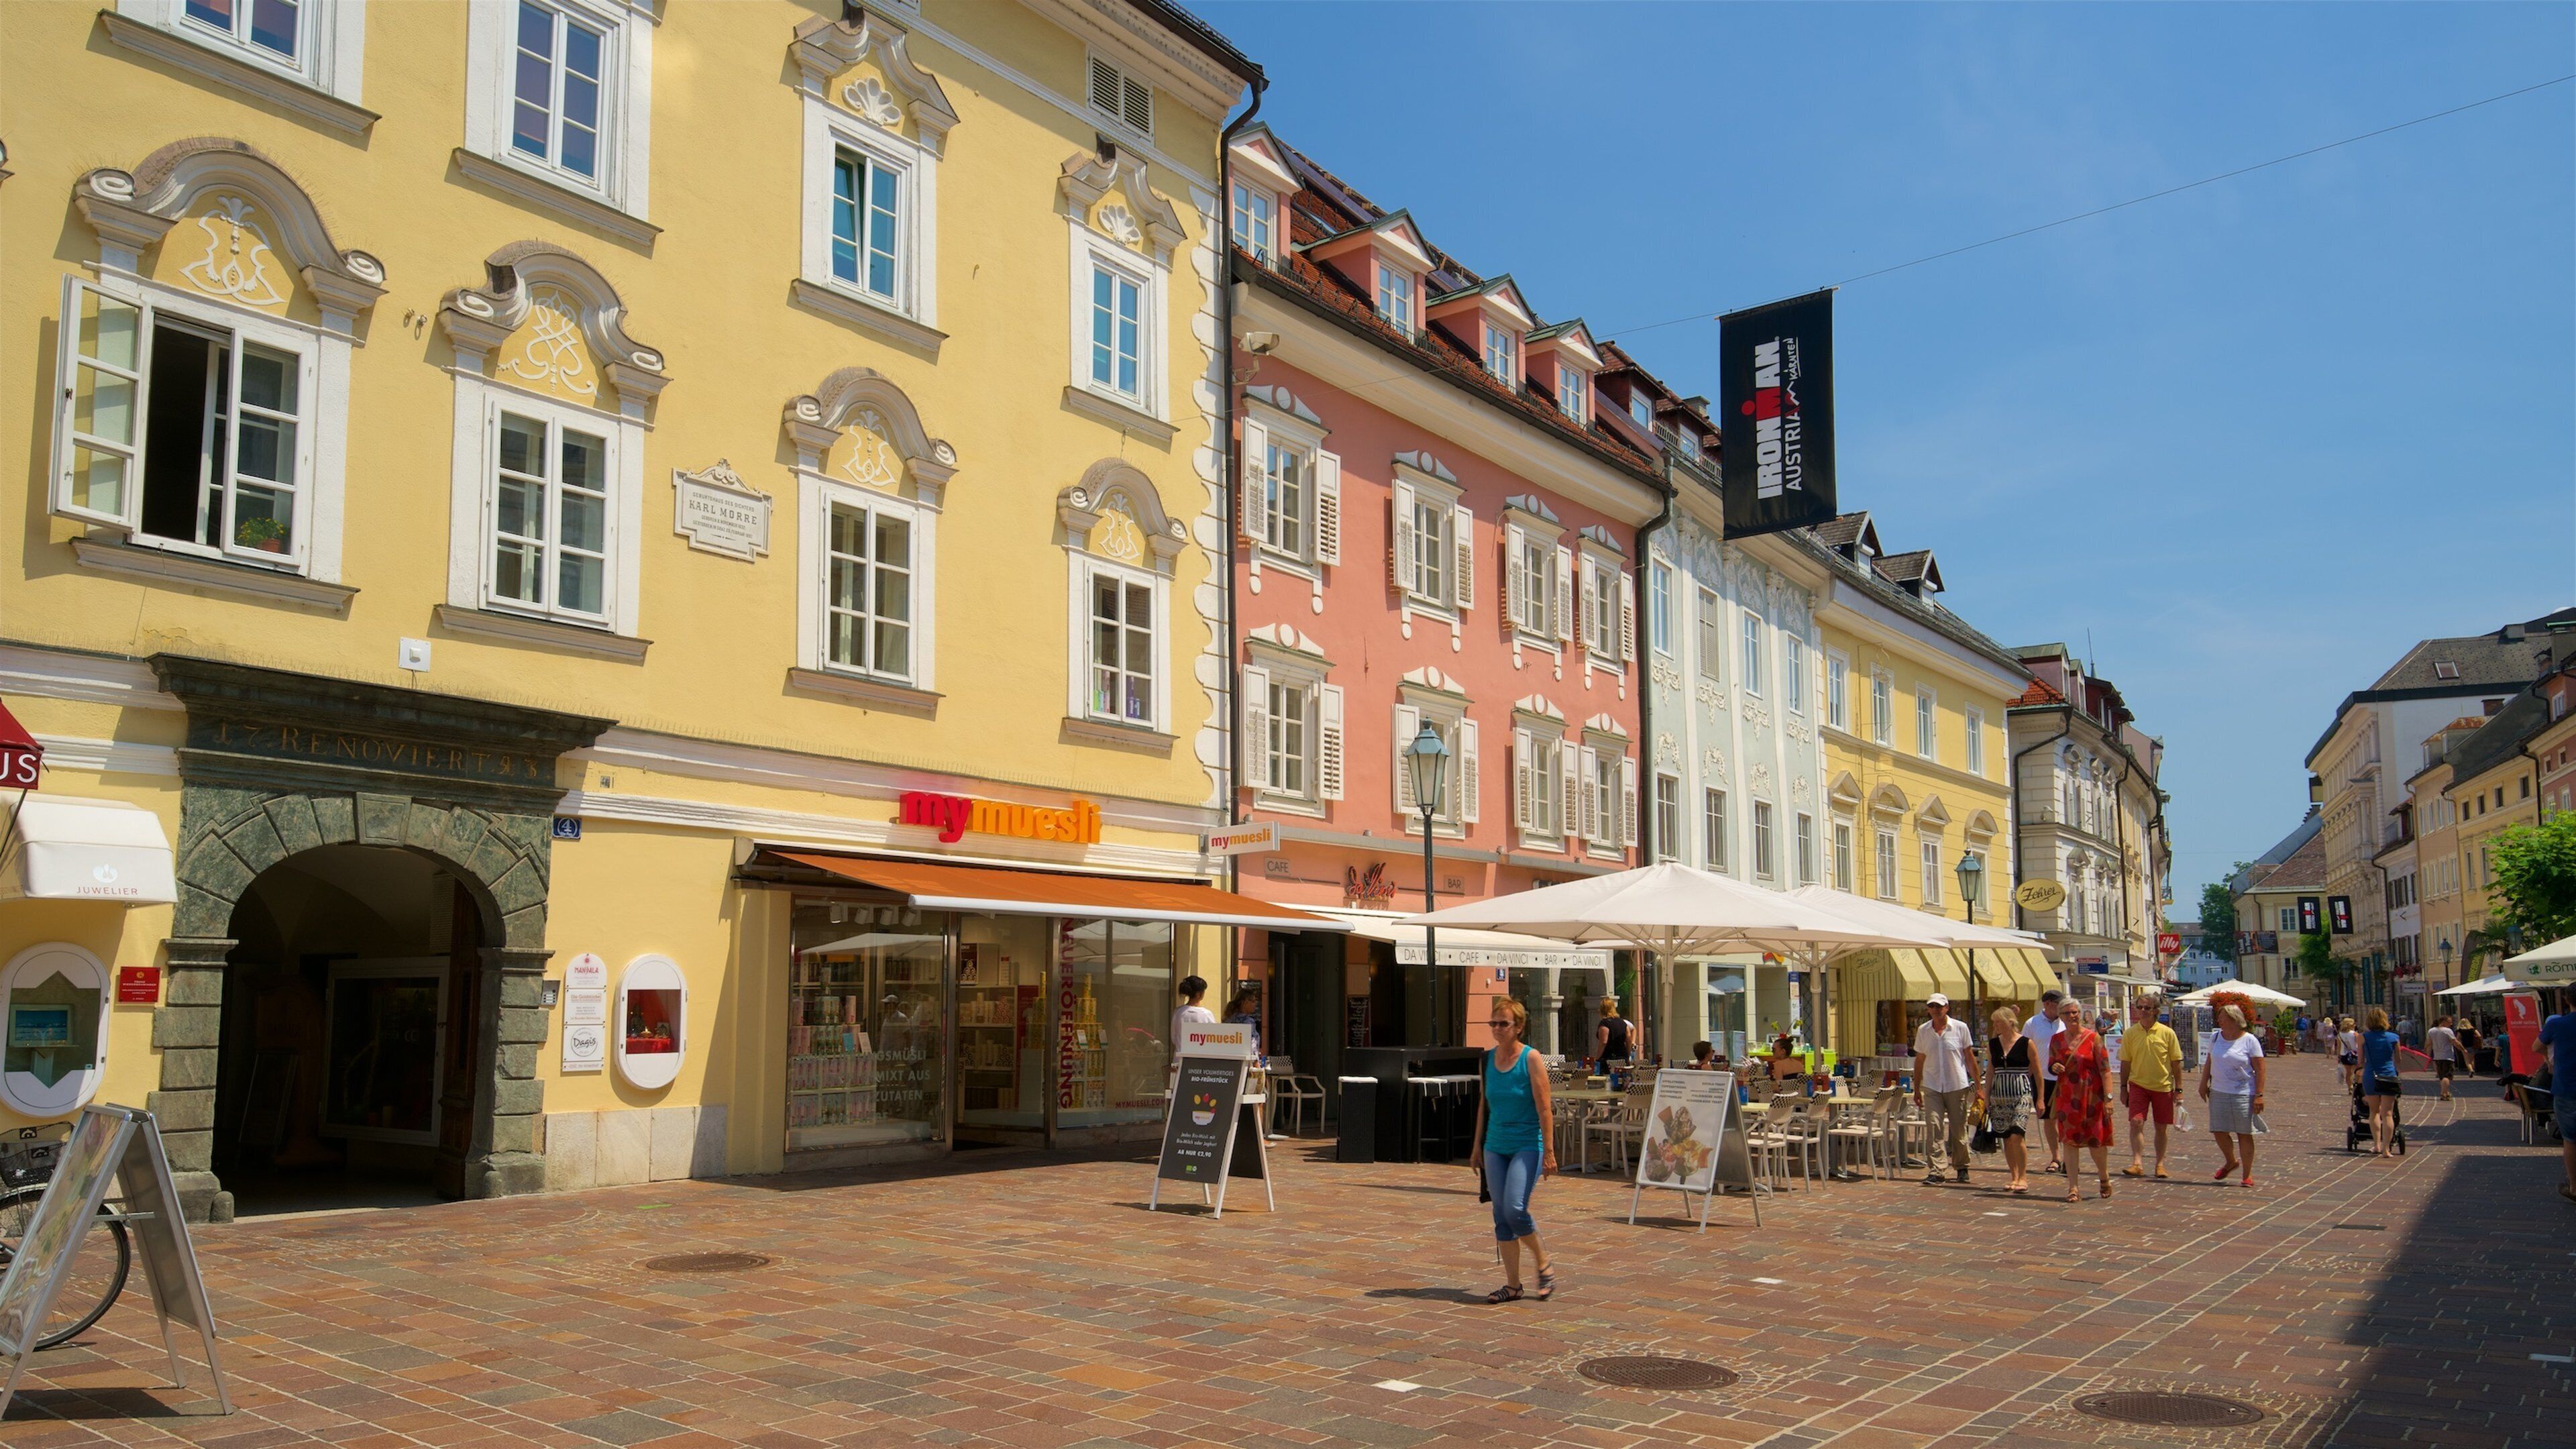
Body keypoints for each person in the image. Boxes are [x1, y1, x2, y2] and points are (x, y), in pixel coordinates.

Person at [1470, 996, 1557, 1303]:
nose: (1496, 1029)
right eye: (1493, 1023)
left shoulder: (1531, 1059)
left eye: (1503, 1024)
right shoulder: (1487, 1060)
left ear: (1518, 1027)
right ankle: (1513, 1286)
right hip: (1495, 1145)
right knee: (1500, 1215)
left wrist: (1549, 1151)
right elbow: (1484, 1104)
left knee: (1515, 1209)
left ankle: (1543, 1260)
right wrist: (1477, 1146)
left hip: (1526, 1145)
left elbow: (1545, 1107)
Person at [1911, 993, 1983, 1185]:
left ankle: (1962, 1166)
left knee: (1958, 1128)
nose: (1936, 1010)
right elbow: (1920, 1060)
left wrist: (1978, 1086)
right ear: (1928, 1009)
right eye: (1932, 1006)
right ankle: (1937, 1169)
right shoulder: (1924, 1030)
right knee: (1934, 1126)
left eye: (1939, 1006)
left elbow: (1969, 1057)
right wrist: (1916, 1088)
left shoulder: (1960, 1028)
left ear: (1947, 1008)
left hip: (1956, 1085)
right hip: (1932, 1085)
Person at [2051, 1003, 2116, 1201]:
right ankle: (2073, 1188)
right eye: (2067, 1013)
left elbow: (2105, 1070)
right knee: (2069, 1142)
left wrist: (2109, 1098)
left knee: (2096, 1142)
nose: (2072, 1016)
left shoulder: (2093, 1038)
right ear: (2060, 1016)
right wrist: (2055, 1066)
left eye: (2075, 1012)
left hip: (2093, 1097)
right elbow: (2052, 1063)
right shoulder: (2056, 1040)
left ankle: (2104, 1177)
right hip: (2068, 1098)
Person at [2198, 1004, 2267, 1188]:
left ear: (2234, 1019)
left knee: (2244, 1133)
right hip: (2219, 1091)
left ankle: (2247, 1174)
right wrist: (2203, 1083)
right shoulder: (2216, 1038)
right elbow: (2210, 1061)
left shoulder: (2249, 1041)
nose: (2219, 1020)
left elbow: (2260, 1069)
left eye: (2223, 1017)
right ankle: (2230, 1161)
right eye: (2219, 1017)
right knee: (2219, 1130)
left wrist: (2259, 1095)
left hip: (2243, 1093)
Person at [2118, 993, 2184, 1180]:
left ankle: (2160, 1164)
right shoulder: (2130, 1033)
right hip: (2138, 1085)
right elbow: (2125, 1062)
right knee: (2136, 1122)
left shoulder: (2167, 1033)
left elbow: (2176, 1062)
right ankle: (2137, 1163)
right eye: (2139, 1007)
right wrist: (2123, 1088)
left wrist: (2179, 1090)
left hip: (2163, 1086)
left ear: (2156, 1011)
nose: (2143, 1011)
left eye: (2147, 1008)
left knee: (2161, 1127)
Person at [1986, 1005, 2035, 1194]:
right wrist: (1986, 1095)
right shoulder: (1993, 1044)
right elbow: (1990, 1071)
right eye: (1994, 1022)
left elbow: (2037, 1070)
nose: (1995, 1025)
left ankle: (2023, 1177)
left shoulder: (2026, 1043)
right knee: (2006, 1138)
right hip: (1999, 1095)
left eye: (1998, 1021)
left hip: (2021, 1094)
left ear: (2010, 1022)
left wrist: (2039, 1099)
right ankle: (2014, 1177)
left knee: (2017, 1134)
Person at [2542, 988, 2576, 1206]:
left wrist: (2550, 1060)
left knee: (2571, 1139)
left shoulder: (2556, 1025)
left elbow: (2537, 1046)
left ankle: (2574, 1186)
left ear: (2566, 1000)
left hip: (2567, 1088)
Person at [2027, 989, 2065, 1174]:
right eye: (2059, 1003)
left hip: (2067, 1079)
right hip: (2043, 1078)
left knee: (2067, 1119)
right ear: (2047, 1004)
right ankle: (2056, 1157)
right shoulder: (2032, 1023)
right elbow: (2025, 1049)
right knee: (2050, 1119)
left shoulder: (2066, 1022)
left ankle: (2070, 1158)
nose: (2062, 1007)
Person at [2360, 1007, 2402, 1157]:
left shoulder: (2363, 1037)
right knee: (2388, 1114)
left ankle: (2376, 1145)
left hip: (2371, 1075)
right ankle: (2386, 1149)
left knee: (2374, 1112)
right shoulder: (2394, 1037)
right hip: (2389, 1076)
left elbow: (2360, 1060)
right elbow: (2399, 1060)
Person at [1170, 975, 1216, 1055]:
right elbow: (1213, 1039)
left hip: (1179, 1058)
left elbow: (1174, 1037)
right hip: (1200, 1059)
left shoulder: (1178, 1012)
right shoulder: (1206, 1014)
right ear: (1199, 994)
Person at [1595, 999, 1635, 1076]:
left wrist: (1597, 1058)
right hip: (1622, 1059)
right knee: (1622, 1081)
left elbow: (1603, 1042)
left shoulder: (1605, 1023)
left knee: (1608, 1082)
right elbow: (1629, 1040)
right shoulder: (1622, 1023)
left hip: (1609, 1060)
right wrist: (1627, 1055)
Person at [2426, 1015, 2461, 1102]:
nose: (2451, 1024)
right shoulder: (2448, 1031)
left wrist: (2427, 1055)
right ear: (2444, 1022)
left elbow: (2428, 1044)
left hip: (2437, 1057)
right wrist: (2463, 1050)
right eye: (2449, 1022)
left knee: (2442, 1077)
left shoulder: (2431, 1031)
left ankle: (2445, 1092)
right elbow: (2455, 1042)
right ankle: (2444, 1094)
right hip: (2447, 1057)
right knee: (2447, 1076)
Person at [1222, 990, 1263, 1056]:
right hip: (1246, 1061)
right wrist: (1256, 1063)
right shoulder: (1248, 1021)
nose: (1255, 1004)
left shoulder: (1228, 1019)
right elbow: (1251, 1044)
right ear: (1244, 1003)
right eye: (1253, 1001)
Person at [2339, 1016, 2363, 1091]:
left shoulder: (2340, 1034)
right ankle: (2357, 1085)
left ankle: (2350, 1087)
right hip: (2355, 1054)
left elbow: (2338, 1046)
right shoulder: (2354, 1034)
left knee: (2349, 1073)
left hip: (2344, 1055)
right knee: (2358, 1071)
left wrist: (2338, 1056)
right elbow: (2359, 1045)